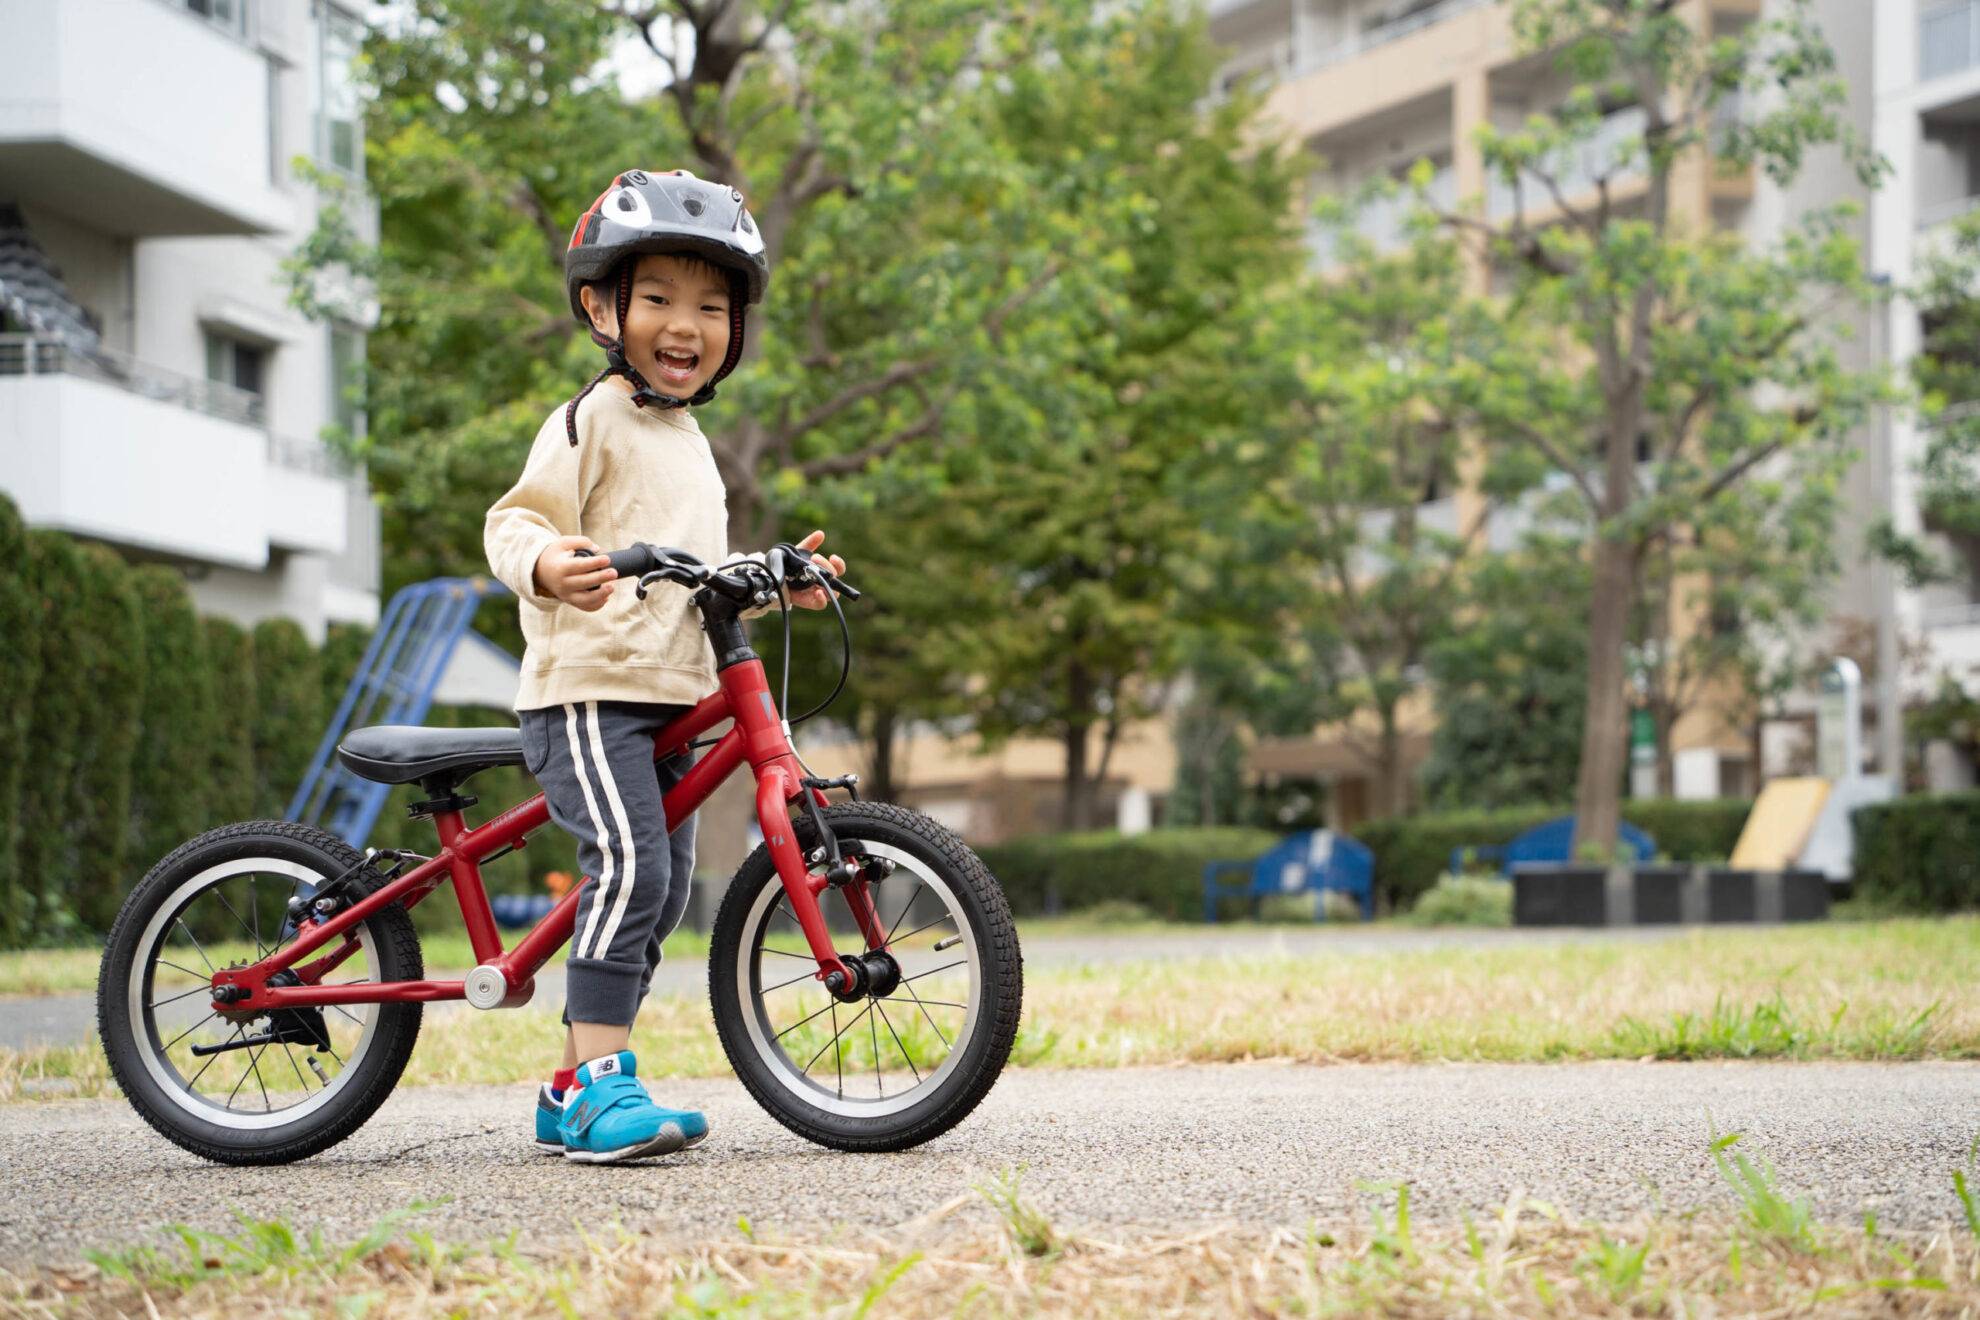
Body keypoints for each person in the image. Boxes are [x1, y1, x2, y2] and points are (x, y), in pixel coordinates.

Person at [483, 169, 845, 1164]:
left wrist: (776, 580)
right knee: (633, 866)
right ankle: (604, 1088)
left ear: (735, 329)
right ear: (603, 307)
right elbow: (513, 522)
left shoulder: (690, 442)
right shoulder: (589, 420)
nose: (685, 324)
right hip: (592, 695)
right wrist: (551, 561)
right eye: (658, 300)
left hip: (668, 697)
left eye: (711, 307)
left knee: (665, 884)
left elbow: (696, 572)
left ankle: (572, 1088)